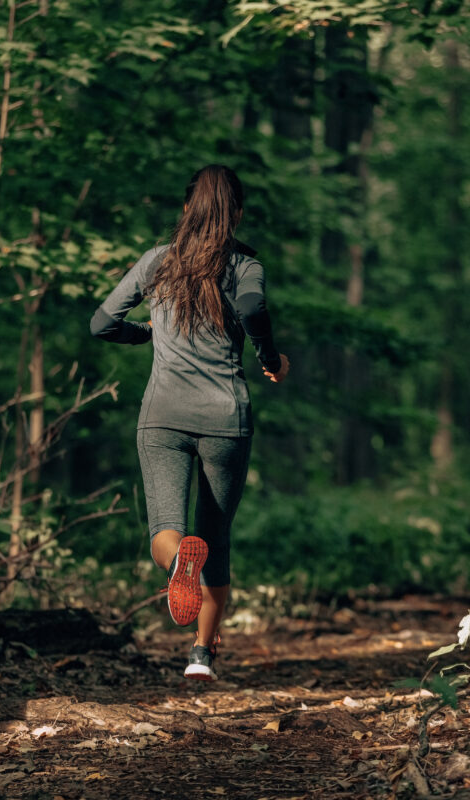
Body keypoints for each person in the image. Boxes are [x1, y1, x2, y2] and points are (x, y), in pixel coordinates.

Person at [90, 164, 289, 681]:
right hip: (226, 418)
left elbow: (102, 323)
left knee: (166, 531)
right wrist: (269, 357)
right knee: (217, 536)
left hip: (163, 418)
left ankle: (181, 560)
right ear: (237, 214)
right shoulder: (245, 263)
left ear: (185, 210)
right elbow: (253, 307)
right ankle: (200, 654)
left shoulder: (157, 261)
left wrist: (148, 335)